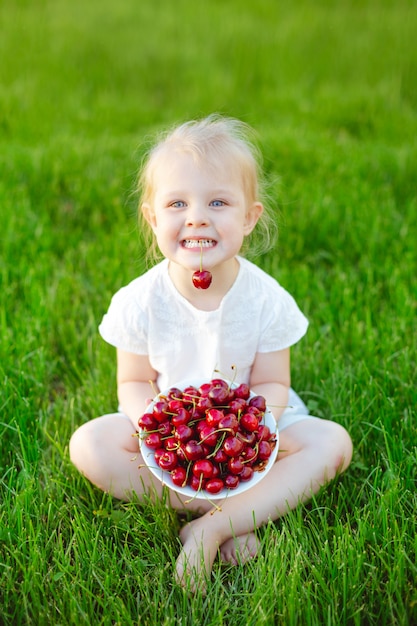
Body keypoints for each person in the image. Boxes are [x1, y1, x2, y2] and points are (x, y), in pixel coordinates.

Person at [69, 115, 353, 592]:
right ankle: (226, 514)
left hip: (248, 425)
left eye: (218, 202)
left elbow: (273, 384)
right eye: (177, 203)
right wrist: (157, 429)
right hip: (173, 433)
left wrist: (251, 434)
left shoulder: (267, 299)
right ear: (153, 218)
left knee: (332, 444)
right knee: (89, 445)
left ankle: (211, 527)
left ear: (249, 217)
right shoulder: (138, 301)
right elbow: (133, 383)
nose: (197, 217)